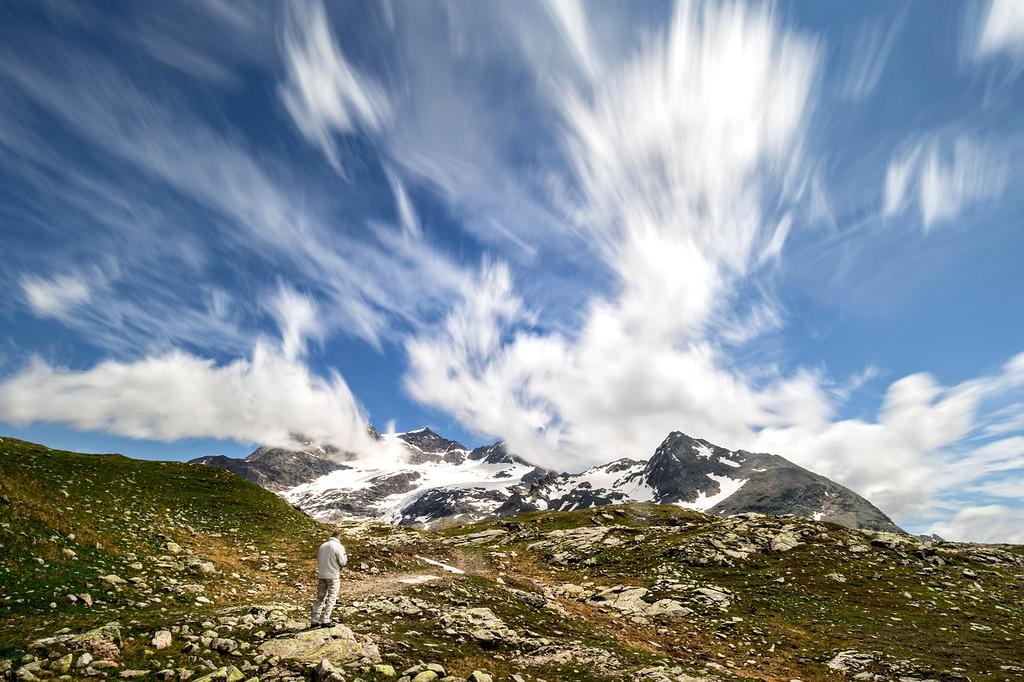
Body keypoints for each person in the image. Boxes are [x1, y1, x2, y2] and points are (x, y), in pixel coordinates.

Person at [310, 529, 347, 628]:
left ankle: (314, 620)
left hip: (322, 575)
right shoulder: (339, 547)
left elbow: (318, 559)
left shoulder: (323, 546)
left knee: (320, 598)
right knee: (332, 596)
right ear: (339, 537)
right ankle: (325, 620)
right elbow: (343, 562)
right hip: (333, 575)